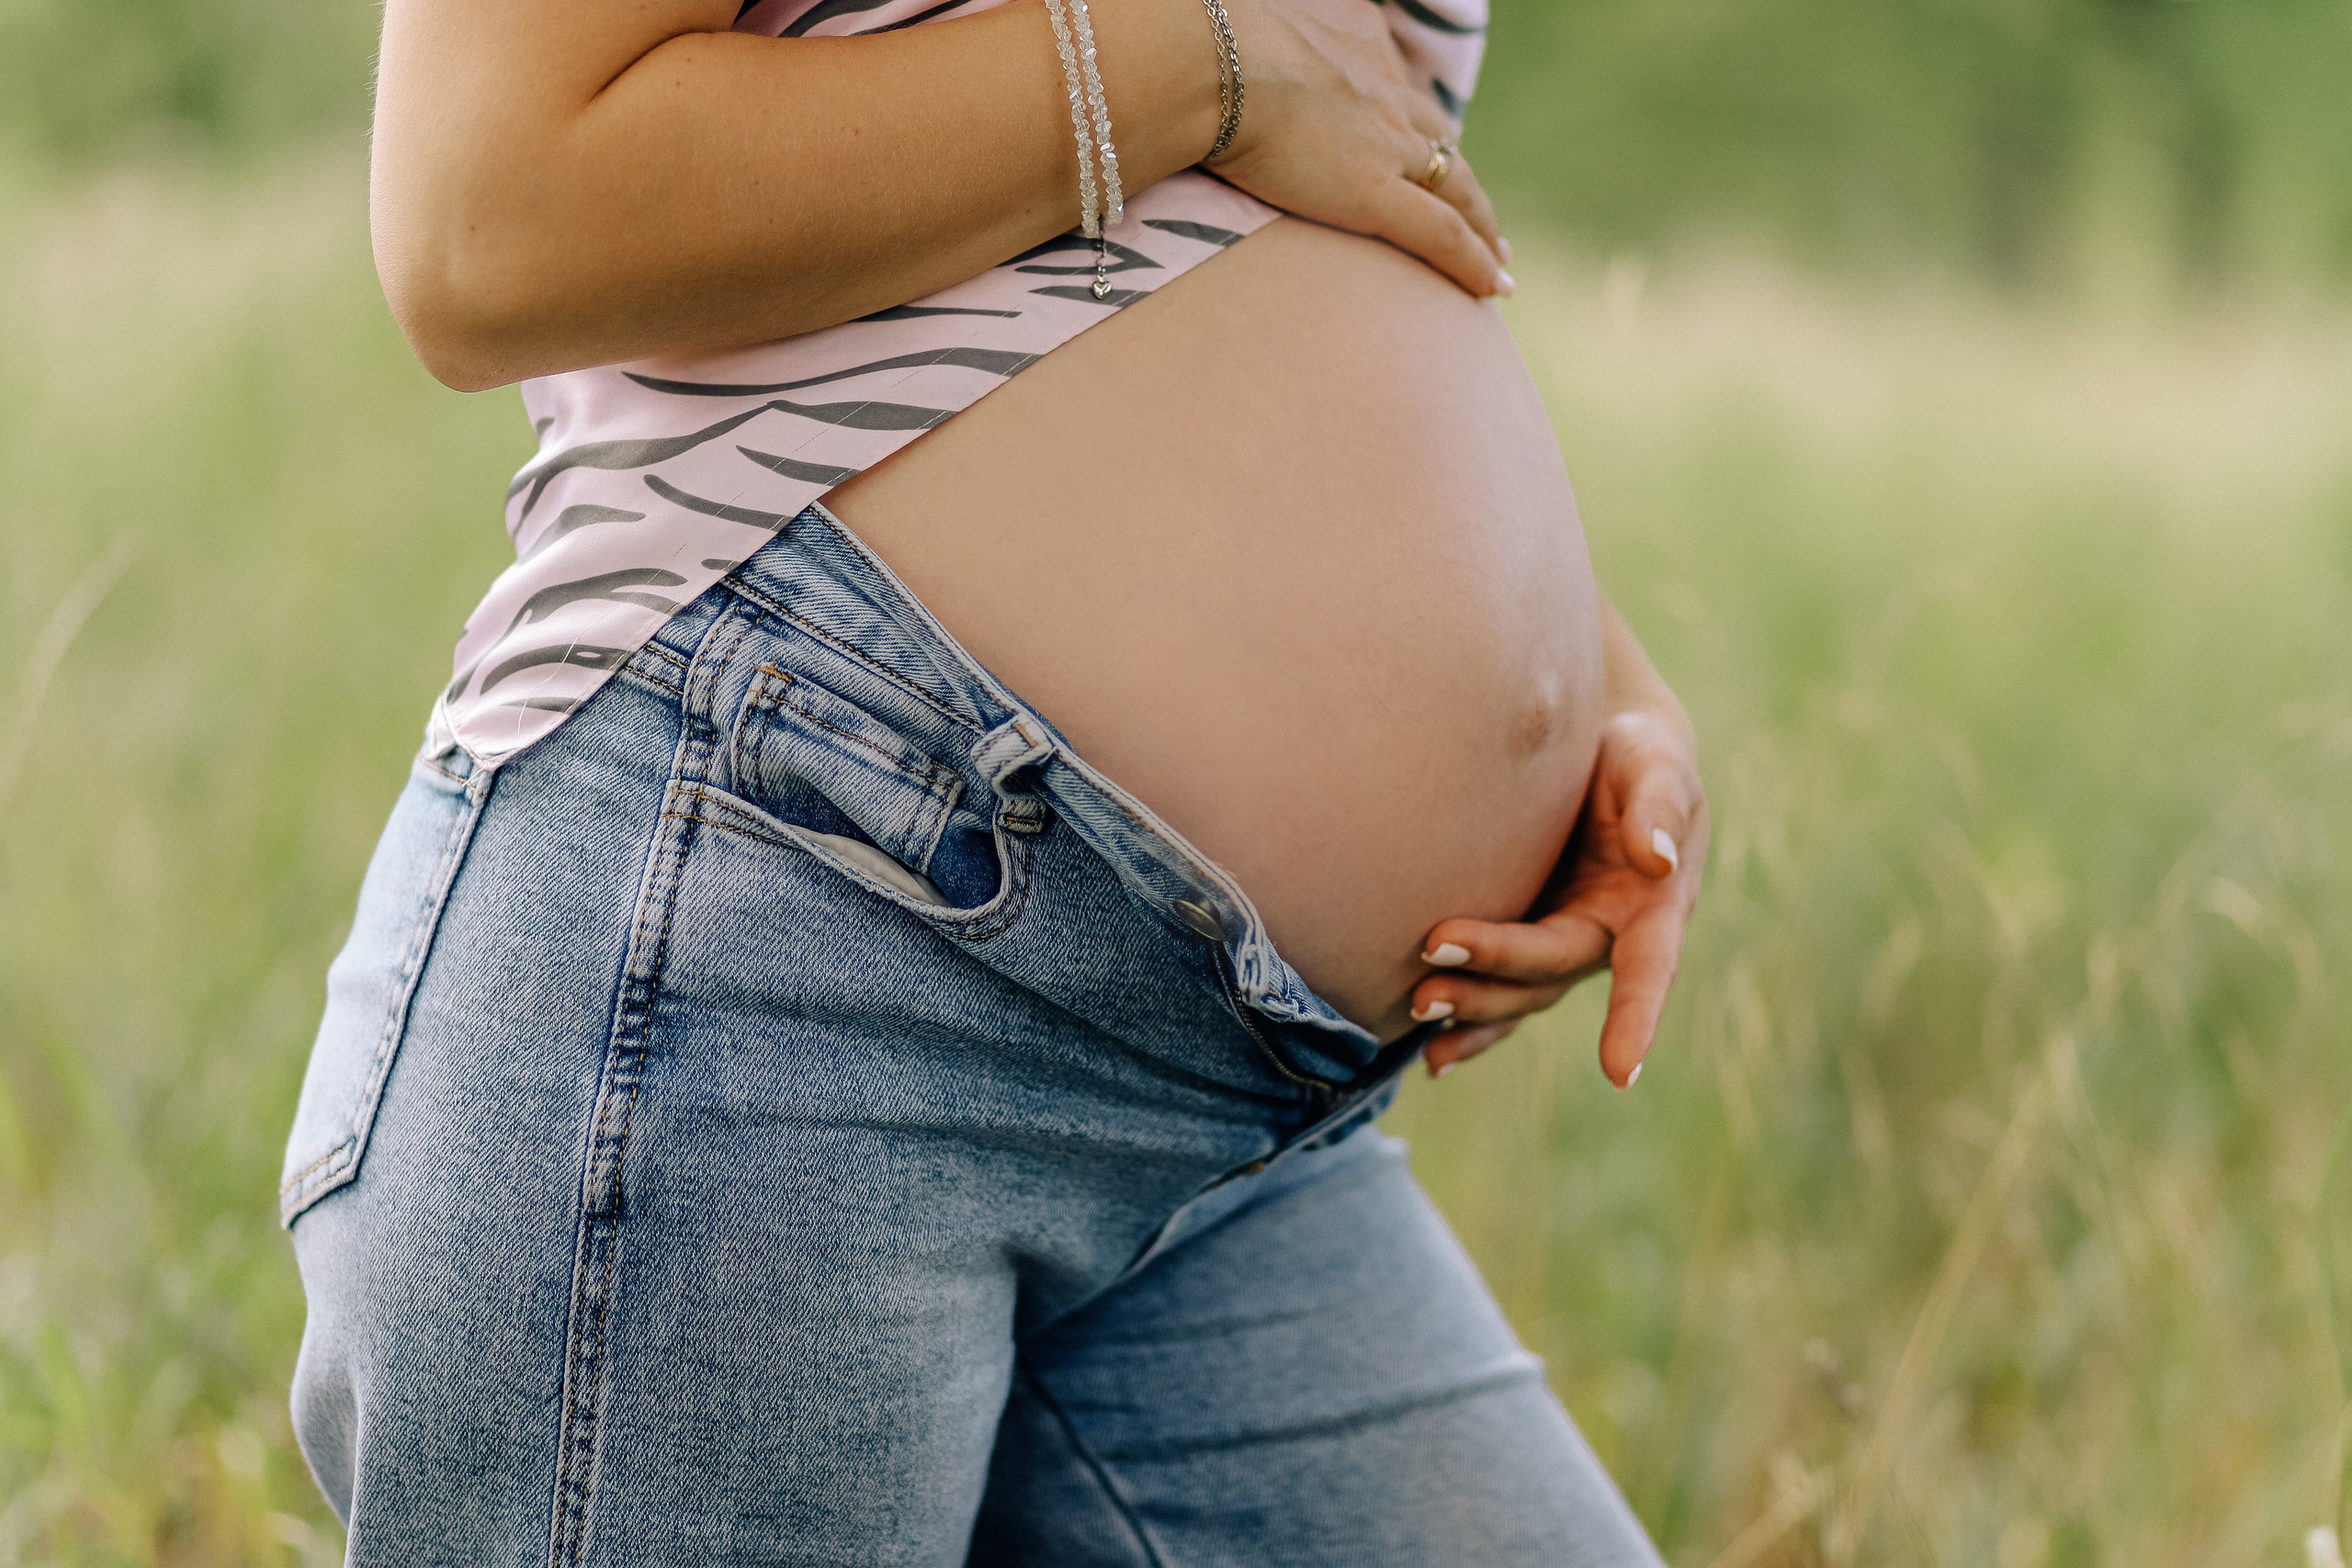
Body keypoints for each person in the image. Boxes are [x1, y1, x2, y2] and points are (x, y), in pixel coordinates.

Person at [278, 0, 1709, 1556]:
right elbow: (490, 218)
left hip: (1220, 1100)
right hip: (786, 972)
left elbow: (1276, 210)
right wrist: (1202, 65)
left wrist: (1590, 689)